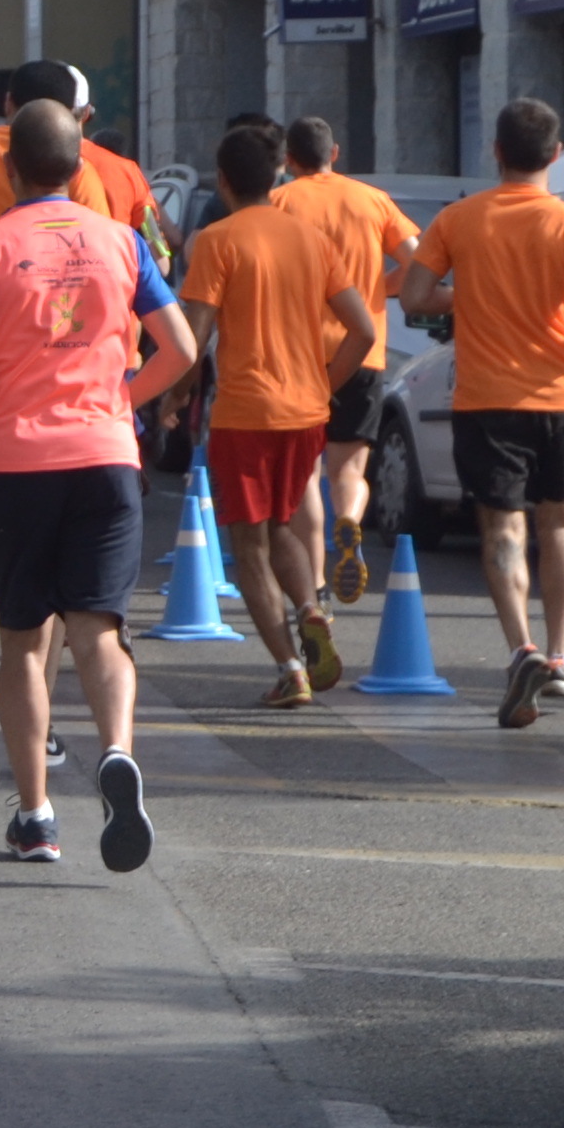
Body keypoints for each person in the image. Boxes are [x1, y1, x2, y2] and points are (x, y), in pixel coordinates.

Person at [0, 101, 196, 868]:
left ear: (8, 168)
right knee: (100, 631)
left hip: (13, 460)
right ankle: (116, 753)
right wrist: (122, 401)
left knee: (22, 641)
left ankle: (37, 815)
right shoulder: (120, 242)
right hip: (106, 457)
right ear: (80, 170)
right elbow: (179, 348)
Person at [404, 98, 564, 729]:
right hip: (559, 393)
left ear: (497, 152)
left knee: (502, 531)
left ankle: (521, 649)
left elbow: (415, 294)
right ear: (556, 155)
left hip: (485, 398)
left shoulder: (459, 219)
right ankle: (560, 655)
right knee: (559, 523)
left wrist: (469, 292)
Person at [173, 125, 375, 709]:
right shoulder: (311, 239)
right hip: (305, 412)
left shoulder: (217, 240)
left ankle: (290, 666)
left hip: (245, 411)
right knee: (284, 522)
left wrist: (173, 397)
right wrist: (325, 384)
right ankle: (311, 607)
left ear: (223, 179)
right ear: (276, 175)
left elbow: (195, 337)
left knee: (250, 545)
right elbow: (362, 329)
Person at [271, 115, 420, 605]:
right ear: (334, 153)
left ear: (289, 160)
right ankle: (350, 522)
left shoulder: (279, 202)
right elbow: (419, 259)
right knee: (349, 470)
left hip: (298, 356)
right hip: (363, 352)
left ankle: (314, 584)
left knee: (305, 475)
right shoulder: (371, 200)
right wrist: (380, 289)